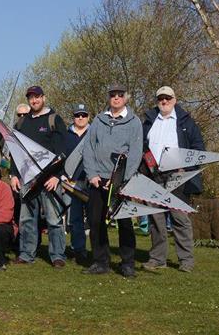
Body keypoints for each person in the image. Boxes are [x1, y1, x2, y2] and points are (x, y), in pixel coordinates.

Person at [81, 84, 143, 278]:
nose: (116, 98)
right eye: (113, 95)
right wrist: (92, 175)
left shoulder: (134, 123)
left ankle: (127, 263)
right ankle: (101, 262)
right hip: (98, 179)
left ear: (126, 98)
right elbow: (88, 149)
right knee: (96, 222)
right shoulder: (99, 121)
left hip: (121, 180)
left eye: (120, 95)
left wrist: (120, 180)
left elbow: (135, 153)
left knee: (124, 223)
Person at [142, 86, 204, 273]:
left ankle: (186, 260)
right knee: (156, 219)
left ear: (174, 100)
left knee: (180, 218)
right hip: (154, 175)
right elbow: (142, 145)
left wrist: (187, 167)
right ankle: (157, 259)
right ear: (157, 101)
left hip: (178, 175)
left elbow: (198, 147)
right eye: (161, 98)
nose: (164, 101)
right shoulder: (149, 121)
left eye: (167, 98)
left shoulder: (187, 122)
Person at [10, 86, 68, 268]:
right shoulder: (21, 123)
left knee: (53, 219)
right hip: (27, 179)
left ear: (44, 97)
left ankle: (57, 255)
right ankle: (26, 254)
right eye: (31, 98)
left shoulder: (54, 119)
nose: (34, 101)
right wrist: (13, 174)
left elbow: (63, 151)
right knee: (26, 218)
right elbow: (15, 150)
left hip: (50, 179)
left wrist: (57, 176)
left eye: (37, 97)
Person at [65, 103, 91, 264]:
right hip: (71, 183)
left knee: (94, 220)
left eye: (83, 115)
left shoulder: (95, 133)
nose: (80, 118)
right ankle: (78, 249)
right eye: (77, 115)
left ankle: (97, 250)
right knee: (74, 219)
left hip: (90, 183)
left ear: (88, 117)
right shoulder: (66, 134)